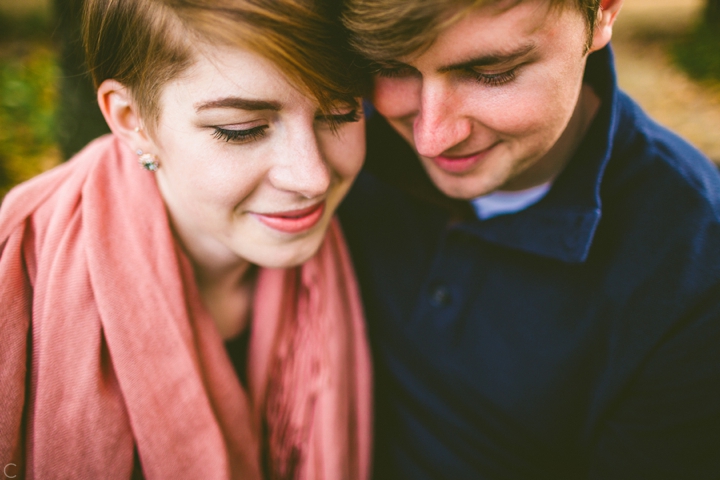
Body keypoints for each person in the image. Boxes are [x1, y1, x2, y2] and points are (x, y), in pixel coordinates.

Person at [338, 0, 720, 478]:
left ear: (602, 11)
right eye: (389, 66)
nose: (430, 138)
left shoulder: (696, 269)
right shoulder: (327, 138)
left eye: (490, 71)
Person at [0, 0, 372, 478]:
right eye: (243, 130)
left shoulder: (383, 235)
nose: (313, 177)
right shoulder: (16, 273)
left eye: (341, 112)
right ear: (132, 119)